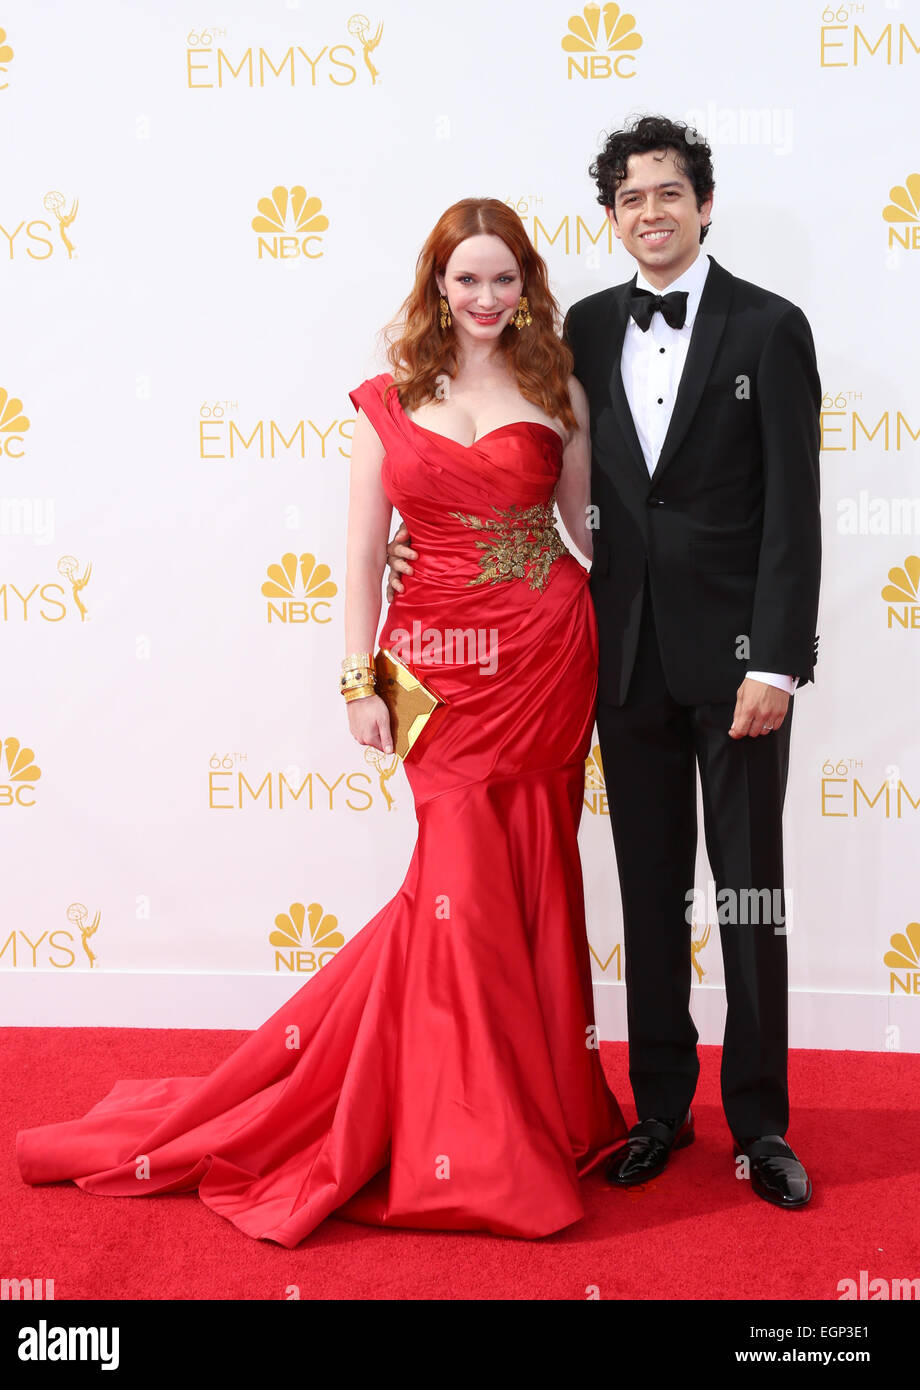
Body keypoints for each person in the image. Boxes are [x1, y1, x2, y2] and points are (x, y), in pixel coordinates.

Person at [16, 198, 625, 1247]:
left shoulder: (554, 388)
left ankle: (537, 1108)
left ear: (527, 286)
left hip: (545, 654)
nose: (485, 297)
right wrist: (356, 681)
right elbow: (359, 554)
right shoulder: (387, 401)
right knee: (457, 888)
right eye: (466, 278)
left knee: (536, 870)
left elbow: (586, 534)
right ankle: (467, 1135)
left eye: (504, 279)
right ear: (437, 284)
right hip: (434, 672)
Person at [387, 119, 821, 1209]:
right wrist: (431, 532)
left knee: (750, 893)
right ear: (613, 217)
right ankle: (662, 1110)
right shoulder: (577, 328)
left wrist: (775, 661)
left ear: (704, 204)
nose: (651, 214)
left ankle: (761, 1124)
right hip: (611, 660)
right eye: (631, 200)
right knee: (647, 892)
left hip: (736, 671)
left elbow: (795, 519)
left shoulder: (770, 329)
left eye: (669, 194)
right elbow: (547, 490)